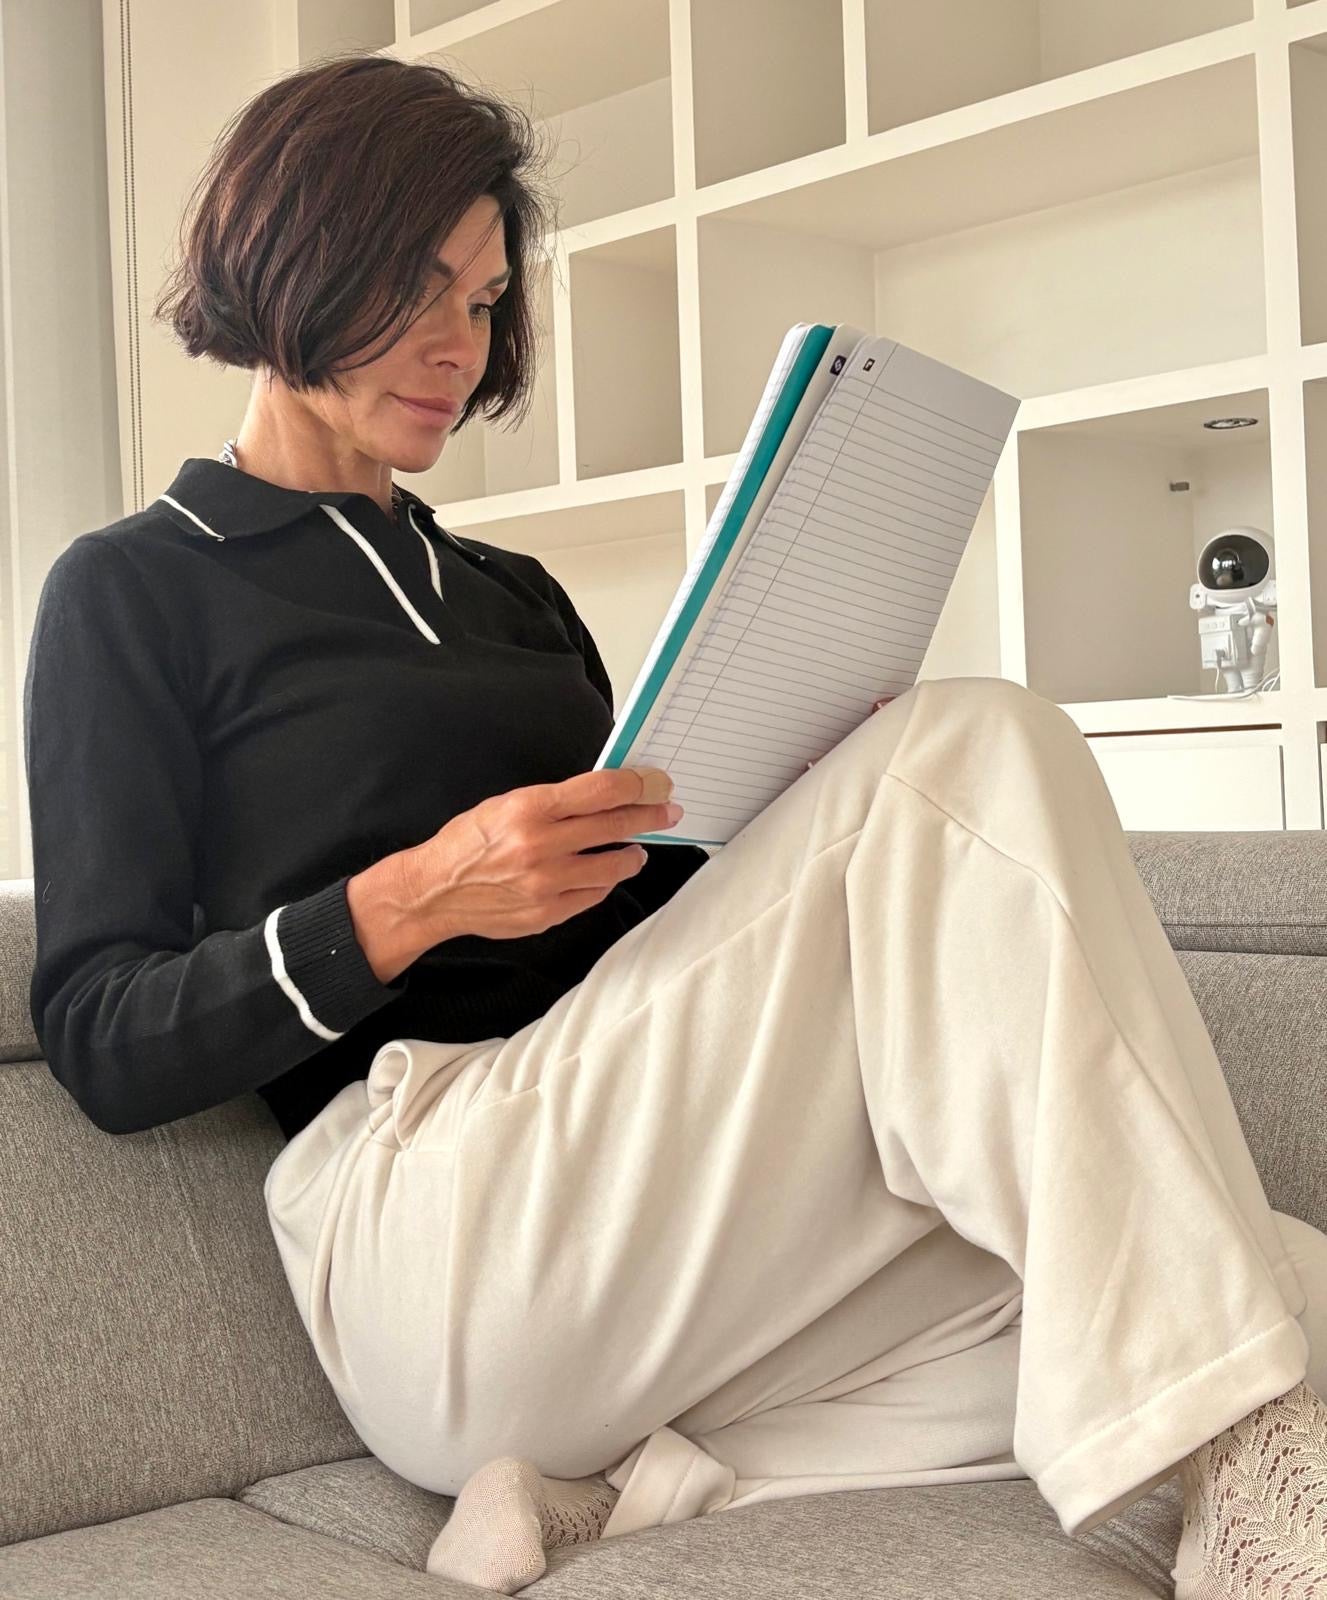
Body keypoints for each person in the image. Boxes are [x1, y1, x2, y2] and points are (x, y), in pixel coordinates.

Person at [21, 51, 1327, 1600]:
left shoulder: (514, 599)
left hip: (634, 1203)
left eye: (488, 301)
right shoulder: (134, 586)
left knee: (1269, 1274)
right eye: (420, 288)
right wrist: (419, 898)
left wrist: (784, 817)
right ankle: (1251, 1508)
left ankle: (622, 1491)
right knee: (979, 740)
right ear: (292, 258)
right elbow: (104, 1034)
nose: (463, 343)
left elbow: (651, 942)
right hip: (421, 1215)